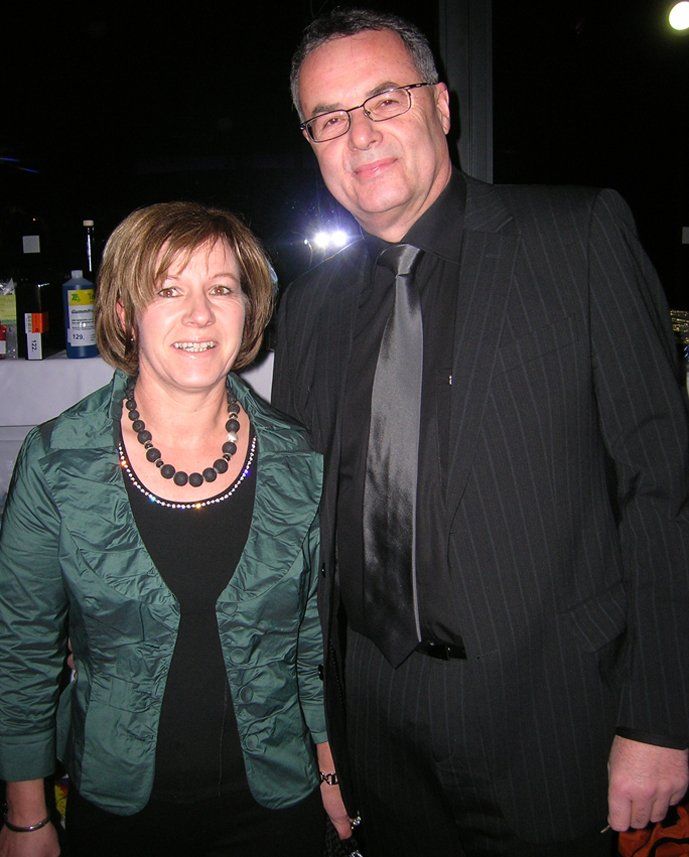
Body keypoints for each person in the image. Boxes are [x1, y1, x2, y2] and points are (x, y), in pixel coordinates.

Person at [272, 8, 689, 856]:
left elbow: (662, 486)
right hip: (374, 725)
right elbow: (304, 537)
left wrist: (659, 715)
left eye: (383, 100)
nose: (360, 135)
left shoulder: (575, 238)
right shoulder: (308, 305)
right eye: (329, 119)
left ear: (440, 105)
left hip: (551, 717)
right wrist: (317, 730)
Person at [0, 201, 349, 857]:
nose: (200, 314)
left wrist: (330, 771)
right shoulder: (56, 461)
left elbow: (312, 643)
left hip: (275, 806)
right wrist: (27, 815)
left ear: (248, 309)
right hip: (118, 810)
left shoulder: (298, 459)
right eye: (168, 290)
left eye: (221, 288)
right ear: (124, 313)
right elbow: (20, 648)